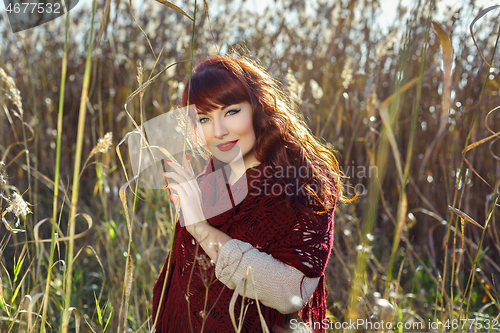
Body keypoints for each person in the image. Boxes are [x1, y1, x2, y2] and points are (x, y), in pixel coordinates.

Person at [152, 54, 348, 333]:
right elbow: (182, 283)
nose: (219, 131)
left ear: (257, 107)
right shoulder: (208, 183)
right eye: (205, 119)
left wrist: (201, 229)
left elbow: (290, 293)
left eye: (231, 112)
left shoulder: (302, 186)